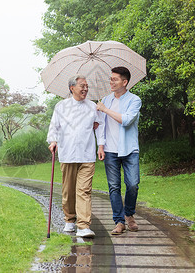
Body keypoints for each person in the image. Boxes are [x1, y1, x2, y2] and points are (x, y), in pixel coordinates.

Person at [47, 75, 104, 238]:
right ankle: (70, 220)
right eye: (82, 86)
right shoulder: (61, 106)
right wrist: (52, 141)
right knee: (68, 191)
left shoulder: (93, 106)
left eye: (87, 86)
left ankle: (84, 226)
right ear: (72, 88)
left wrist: (101, 145)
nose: (85, 89)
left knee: (84, 191)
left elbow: (99, 126)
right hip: (67, 154)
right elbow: (54, 127)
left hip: (87, 154)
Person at [96, 66, 142, 235]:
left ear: (125, 82)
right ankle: (119, 221)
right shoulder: (105, 99)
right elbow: (101, 125)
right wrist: (100, 146)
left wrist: (104, 109)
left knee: (132, 185)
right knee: (114, 187)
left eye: (115, 79)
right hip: (110, 150)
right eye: (110, 79)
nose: (111, 82)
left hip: (129, 149)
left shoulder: (134, 100)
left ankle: (129, 214)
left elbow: (127, 120)